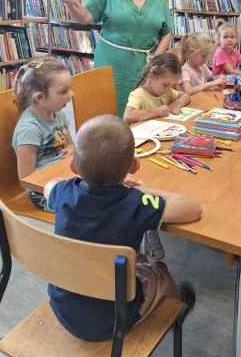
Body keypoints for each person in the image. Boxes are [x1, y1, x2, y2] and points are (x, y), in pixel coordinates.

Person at [44, 114, 201, 342]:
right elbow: (191, 208)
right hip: (113, 320)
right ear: (134, 166)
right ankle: (175, 314)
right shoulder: (137, 203)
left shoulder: (63, 192)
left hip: (63, 307)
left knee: (130, 262)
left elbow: (49, 186)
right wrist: (145, 192)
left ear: (73, 167)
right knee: (160, 271)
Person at [57, 0, 172, 117]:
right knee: (108, 113)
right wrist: (70, 3)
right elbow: (85, 18)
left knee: (139, 114)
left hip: (144, 68)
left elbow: (167, 32)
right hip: (110, 65)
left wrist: (156, 59)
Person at [12, 57, 73, 210]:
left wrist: (72, 150)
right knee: (95, 204)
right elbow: (27, 179)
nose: (71, 94)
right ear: (39, 97)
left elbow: (70, 145)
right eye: (63, 91)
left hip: (64, 177)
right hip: (43, 193)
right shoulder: (29, 129)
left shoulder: (58, 114)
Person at [124, 53, 190, 125]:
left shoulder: (167, 92)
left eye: (171, 85)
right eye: (165, 85)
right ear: (151, 76)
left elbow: (185, 95)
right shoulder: (138, 94)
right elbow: (128, 116)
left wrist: (177, 103)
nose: (168, 89)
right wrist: (156, 112)